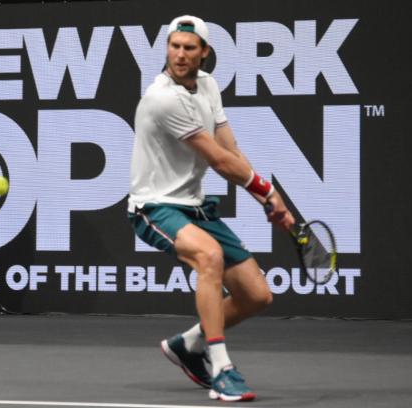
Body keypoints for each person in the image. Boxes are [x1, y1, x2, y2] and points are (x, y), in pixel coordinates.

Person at [127, 16, 295, 401]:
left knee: (257, 296)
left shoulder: (208, 86)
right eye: (174, 46)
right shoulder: (162, 97)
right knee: (209, 256)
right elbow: (219, 162)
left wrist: (270, 200)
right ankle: (221, 368)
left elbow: (231, 150)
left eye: (189, 48)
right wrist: (267, 191)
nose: (180, 55)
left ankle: (188, 344)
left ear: (204, 53)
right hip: (154, 206)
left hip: (196, 206)